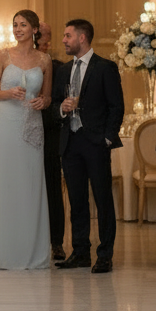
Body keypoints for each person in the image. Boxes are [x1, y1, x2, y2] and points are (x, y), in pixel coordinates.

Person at [0, 9, 54, 271]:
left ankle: (30, 249)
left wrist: (42, 102)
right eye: (15, 25)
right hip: (6, 123)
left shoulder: (45, 59)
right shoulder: (2, 55)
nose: (17, 29)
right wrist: (8, 93)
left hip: (31, 125)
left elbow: (47, 96)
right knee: (5, 181)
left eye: (23, 25)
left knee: (30, 182)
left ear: (34, 29)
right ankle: (3, 249)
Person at [53, 18, 124, 274]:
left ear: (82, 38)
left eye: (68, 35)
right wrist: (62, 108)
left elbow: (116, 106)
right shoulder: (63, 71)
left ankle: (105, 255)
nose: (64, 40)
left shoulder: (105, 67)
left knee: (103, 200)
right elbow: (54, 104)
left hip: (95, 143)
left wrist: (107, 138)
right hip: (70, 143)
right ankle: (80, 252)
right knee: (77, 200)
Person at [36, 22, 67, 260]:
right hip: (23, 131)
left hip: (49, 133)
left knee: (52, 188)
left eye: (44, 36)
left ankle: (56, 241)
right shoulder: (14, 62)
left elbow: (60, 101)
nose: (42, 40)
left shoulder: (58, 67)